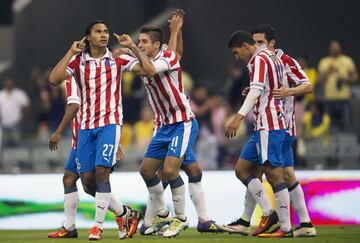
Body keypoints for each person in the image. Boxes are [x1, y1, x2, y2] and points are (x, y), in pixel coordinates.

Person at [48, 19, 156, 240]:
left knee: (101, 172)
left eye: (106, 31)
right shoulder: (78, 61)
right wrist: (70, 51)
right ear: (88, 37)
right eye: (98, 32)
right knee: (87, 181)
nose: (104, 35)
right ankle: (125, 213)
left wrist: (133, 48)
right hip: (86, 127)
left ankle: (97, 226)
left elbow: (150, 71)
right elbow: (53, 79)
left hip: (110, 123)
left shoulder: (117, 57)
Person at [224, 24, 315, 237]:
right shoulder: (270, 57)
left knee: (275, 175)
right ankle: (267, 213)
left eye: (237, 52)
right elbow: (263, 87)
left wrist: (238, 117)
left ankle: (284, 227)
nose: (237, 57)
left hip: (270, 123)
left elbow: (259, 89)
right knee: (243, 169)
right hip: (267, 123)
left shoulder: (260, 58)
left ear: (245, 46)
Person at [137, 10, 221, 236]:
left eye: (144, 41)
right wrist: (177, 31)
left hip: (182, 122)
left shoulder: (163, 59)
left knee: (169, 171)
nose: (140, 44)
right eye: (139, 41)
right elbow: (177, 53)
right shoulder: (154, 58)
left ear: (157, 45)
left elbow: (171, 56)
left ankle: (176, 219)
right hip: (163, 126)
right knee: (178, 170)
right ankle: (190, 219)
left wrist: (175, 32)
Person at [47, 75, 139, 239]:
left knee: (90, 181)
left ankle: (120, 215)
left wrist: (58, 131)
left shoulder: (73, 76)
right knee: (71, 180)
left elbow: (74, 105)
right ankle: (70, 226)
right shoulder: (82, 74)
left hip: (90, 137)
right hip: (80, 139)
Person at [317, 39, 358, 129]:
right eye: (332, 46)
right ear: (329, 48)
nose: (334, 48)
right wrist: (328, 71)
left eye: (336, 46)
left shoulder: (347, 60)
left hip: (344, 100)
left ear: (340, 47)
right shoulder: (324, 61)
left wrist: (345, 79)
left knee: (346, 126)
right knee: (328, 127)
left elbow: (355, 77)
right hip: (329, 100)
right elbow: (319, 80)